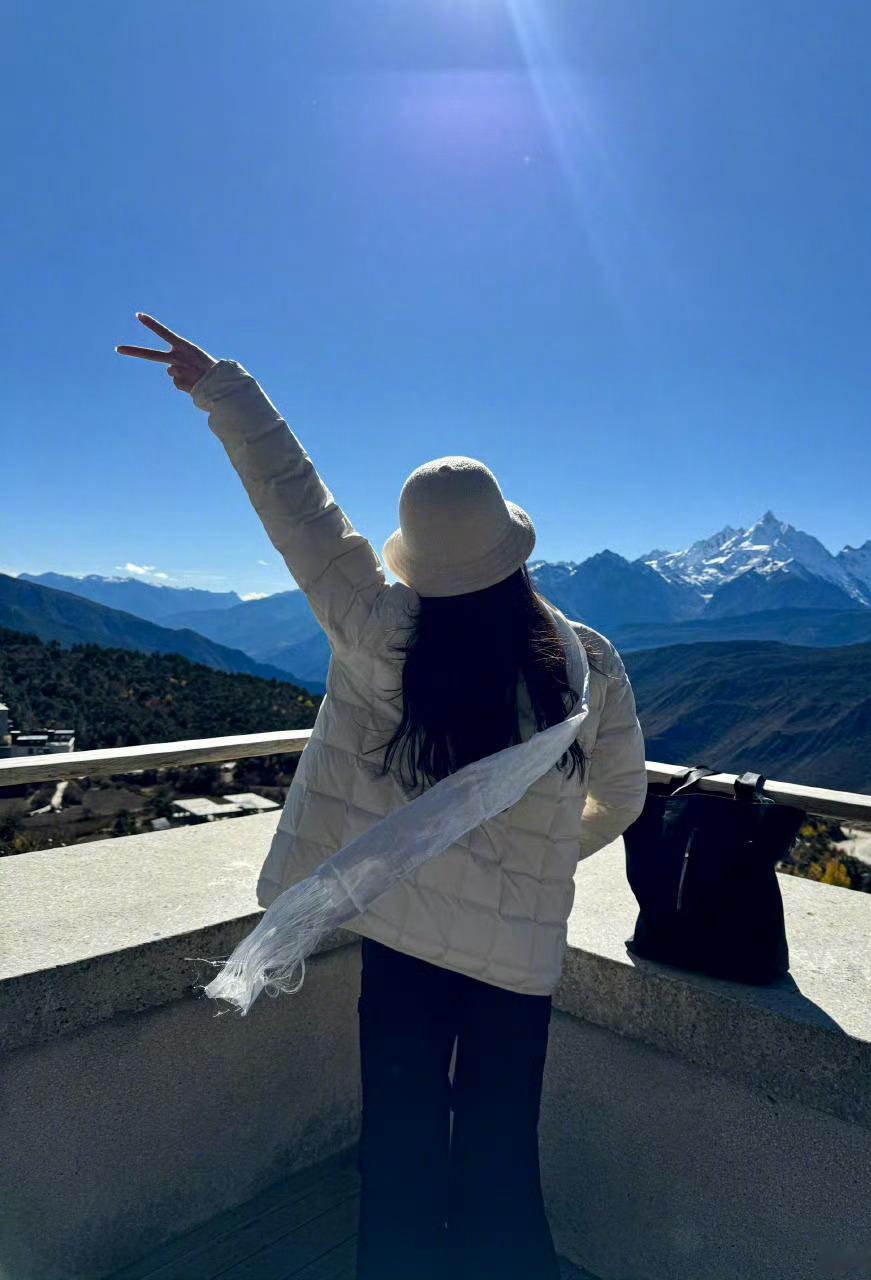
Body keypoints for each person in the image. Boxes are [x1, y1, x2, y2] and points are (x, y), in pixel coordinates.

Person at [116, 314, 648, 1280]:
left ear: (419, 560)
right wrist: (551, 855)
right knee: (500, 1163)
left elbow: (298, 507)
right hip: (520, 968)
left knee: (398, 1154)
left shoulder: (374, 630)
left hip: (402, 946)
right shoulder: (584, 666)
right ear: (512, 550)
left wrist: (220, 387)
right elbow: (624, 795)